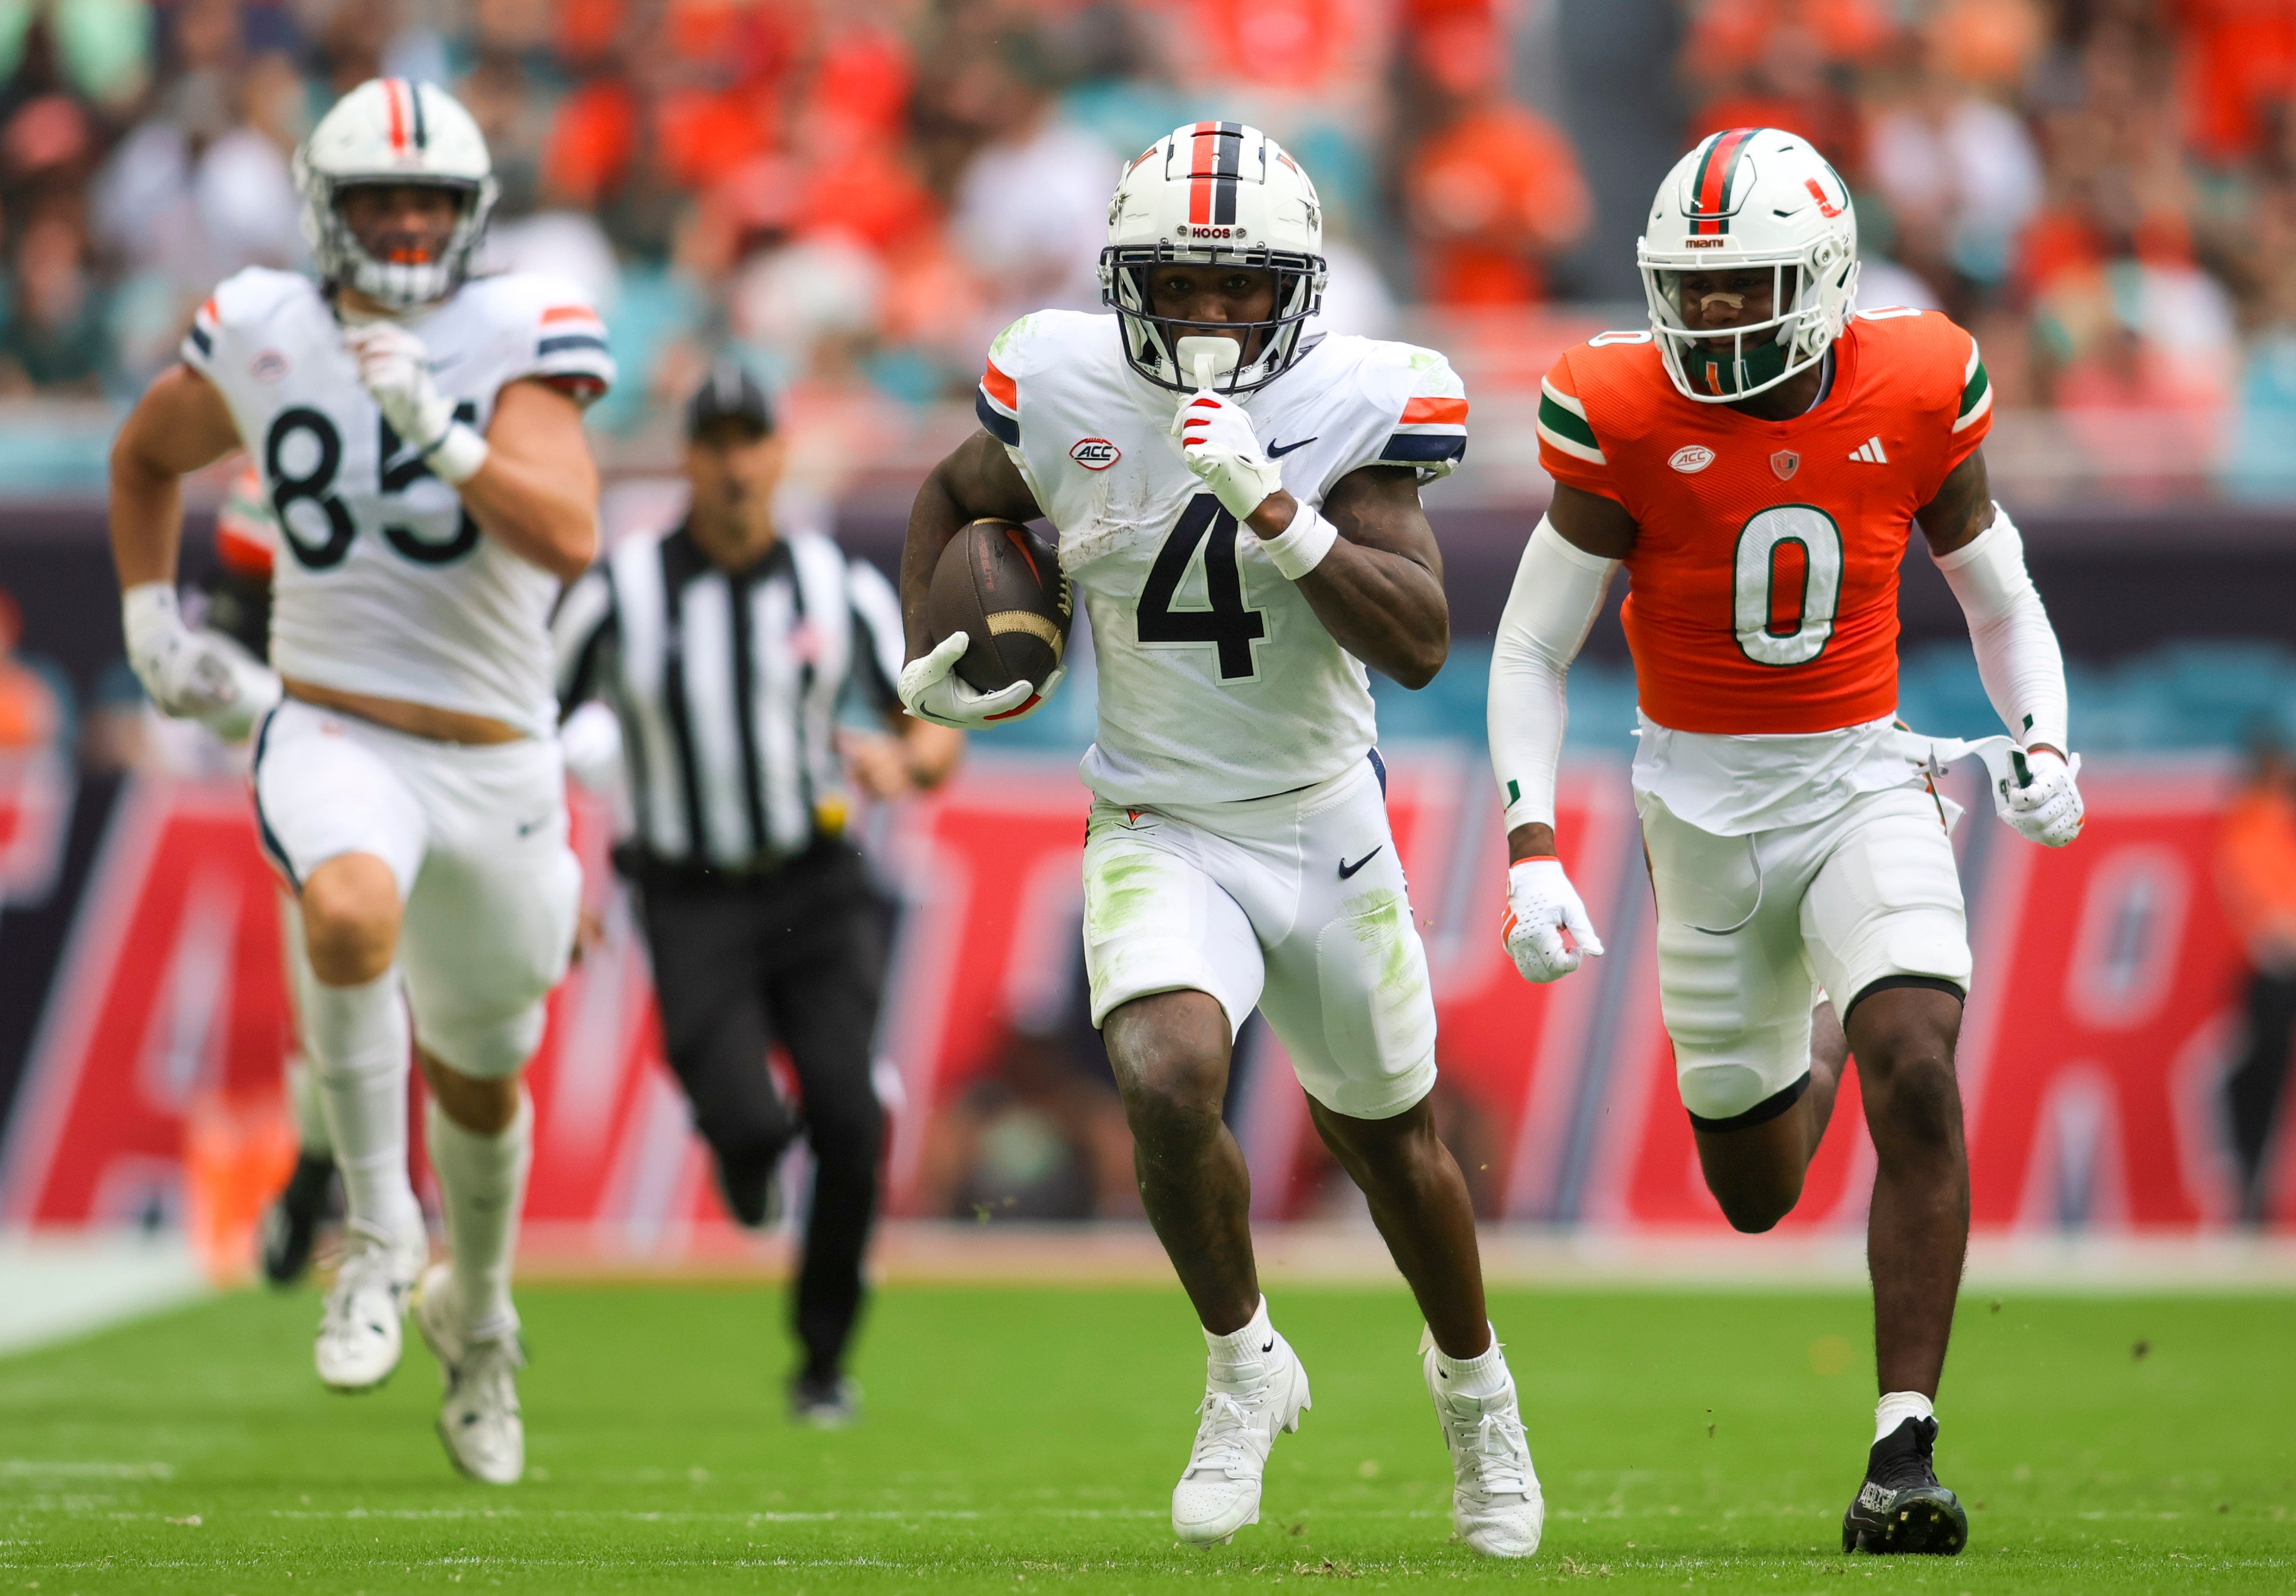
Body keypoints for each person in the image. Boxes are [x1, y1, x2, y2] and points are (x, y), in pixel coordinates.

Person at [896, 122, 1542, 1558]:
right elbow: (954, 495)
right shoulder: (1060, 376)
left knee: (1394, 1147)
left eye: (1241, 288)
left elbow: (1425, 640)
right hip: (1156, 812)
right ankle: (1243, 1361)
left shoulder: (1357, 403)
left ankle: (1473, 1391)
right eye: (1179, 284)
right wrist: (927, 653)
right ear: (1125, 280)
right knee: (1164, 1069)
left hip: (1321, 819)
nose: (1207, 315)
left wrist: (1277, 508)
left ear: (1297, 293)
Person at [1485, 127, 2085, 1557]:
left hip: (1861, 778)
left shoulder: (1919, 377)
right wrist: (1527, 842)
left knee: (1920, 1064)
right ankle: (1808, 1033)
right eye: (1684, 292)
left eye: (1739, 287)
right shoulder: (1615, 403)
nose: (1704, 319)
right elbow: (1527, 644)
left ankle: (1903, 1448)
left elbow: (1997, 597)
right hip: (1695, 808)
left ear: (1821, 279)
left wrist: (2047, 733)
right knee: (1754, 1191)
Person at [107, 77, 612, 1485]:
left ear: (472, 215)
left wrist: (442, 431)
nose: (402, 222)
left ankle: (484, 1310)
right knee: (340, 911)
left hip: (498, 752)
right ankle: (381, 1235)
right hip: (332, 722)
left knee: (481, 1072)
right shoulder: (262, 320)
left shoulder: (519, 324)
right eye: (379, 199)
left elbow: (567, 529)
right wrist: (154, 617)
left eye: (429, 200)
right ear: (324, 210)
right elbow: (146, 454)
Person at [550, 361, 960, 1427]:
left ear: (779, 453)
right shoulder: (619, 594)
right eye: (715, 443)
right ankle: (743, 1153)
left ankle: (821, 1361)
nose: (734, 464)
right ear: (687, 456)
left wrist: (905, 765)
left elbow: (933, 713)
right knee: (742, 1117)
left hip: (817, 885)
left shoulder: (836, 586)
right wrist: (540, 867)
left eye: (751, 442)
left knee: (849, 1120)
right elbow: (526, 727)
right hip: (689, 897)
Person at [206, 462, 347, 1287]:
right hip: (321, 762)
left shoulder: (455, 423)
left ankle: (347, 1178)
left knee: (454, 1004)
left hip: (444, 757)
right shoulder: (286, 458)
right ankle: (326, 1172)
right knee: (328, 996)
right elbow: (233, 634)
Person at [2215, 737, 2296, 1222]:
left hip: (2289, 980)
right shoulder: (2258, 826)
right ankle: (2252, 1188)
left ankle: (2257, 1187)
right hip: (2272, 979)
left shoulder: (2283, 831)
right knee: (2261, 1084)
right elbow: (2275, 920)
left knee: (2272, 1087)